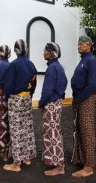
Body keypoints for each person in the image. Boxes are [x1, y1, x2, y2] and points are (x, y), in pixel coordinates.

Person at [3, 39, 37, 172]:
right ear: (26, 50)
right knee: (27, 128)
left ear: (16, 50)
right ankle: (27, 157)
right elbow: (34, 84)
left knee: (16, 130)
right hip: (27, 98)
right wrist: (29, 95)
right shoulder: (31, 64)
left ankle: (17, 163)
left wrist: (7, 98)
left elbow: (9, 85)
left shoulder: (14, 65)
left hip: (15, 99)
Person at [70, 35, 96, 178]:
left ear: (88, 45)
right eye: (78, 44)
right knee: (80, 130)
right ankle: (82, 160)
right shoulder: (84, 60)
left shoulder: (91, 61)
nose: (79, 46)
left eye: (81, 44)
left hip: (86, 100)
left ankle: (89, 166)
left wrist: (79, 99)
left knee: (87, 132)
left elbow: (92, 85)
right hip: (80, 99)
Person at [38, 42, 67, 176]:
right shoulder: (59, 67)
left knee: (53, 134)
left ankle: (59, 166)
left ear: (51, 53)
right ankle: (54, 161)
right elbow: (65, 82)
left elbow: (47, 89)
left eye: (45, 50)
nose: (43, 52)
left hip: (50, 104)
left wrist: (41, 103)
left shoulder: (52, 68)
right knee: (54, 132)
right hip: (57, 103)